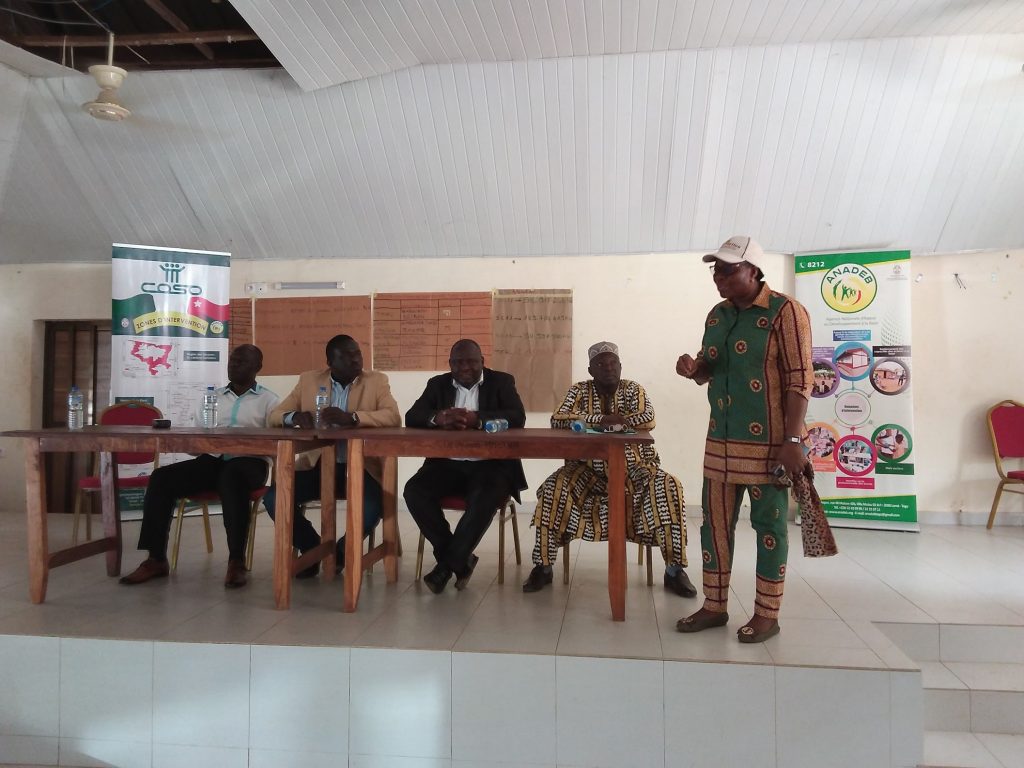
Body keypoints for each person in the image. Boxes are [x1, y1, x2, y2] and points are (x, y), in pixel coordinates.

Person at [675, 235, 813, 643]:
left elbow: (800, 380)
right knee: (714, 526)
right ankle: (714, 606)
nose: (718, 277)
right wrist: (694, 369)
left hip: (771, 445)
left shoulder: (786, 312)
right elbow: (711, 367)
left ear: (753, 270)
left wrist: (793, 440)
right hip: (720, 443)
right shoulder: (717, 315)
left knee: (769, 528)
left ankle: (767, 614)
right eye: (715, 269)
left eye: (728, 269)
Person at [522, 341, 697, 598]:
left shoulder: (633, 388)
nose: (608, 368)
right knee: (552, 488)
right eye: (601, 364)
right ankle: (543, 567)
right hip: (585, 471)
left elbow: (648, 418)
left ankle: (674, 571)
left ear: (621, 366)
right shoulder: (579, 390)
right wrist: (601, 420)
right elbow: (558, 419)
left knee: (669, 485)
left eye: (613, 363)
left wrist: (601, 422)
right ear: (590, 370)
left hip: (634, 469)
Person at [119, 344, 280, 589]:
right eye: (232, 360)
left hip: (250, 463)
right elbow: (197, 443)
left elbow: (275, 444)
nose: (233, 364)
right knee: (161, 478)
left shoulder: (270, 401)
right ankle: (156, 559)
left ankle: (236, 561)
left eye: (241, 361)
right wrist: (194, 444)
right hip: (213, 460)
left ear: (257, 367)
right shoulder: (211, 397)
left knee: (231, 477)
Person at [264, 334, 400, 578]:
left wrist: (354, 418)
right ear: (330, 362)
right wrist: (293, 417)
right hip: (317, 464)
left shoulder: (377, 381)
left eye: (357, 353)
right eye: (346, 356)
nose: (355, 359)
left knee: (373, 505)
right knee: (275, 497)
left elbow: (392, 416)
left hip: (362, 467)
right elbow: (274, 415)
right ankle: (311, 547)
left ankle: (339, 552)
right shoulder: (309, 380)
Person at [404, 339, 527, 593]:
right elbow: (412, 416)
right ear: (450, 364)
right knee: (414, 491)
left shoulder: (502, 382)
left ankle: (446, 566)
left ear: (482, 361)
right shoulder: (437, 384)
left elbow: (517, 417)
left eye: (471, 361)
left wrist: (477, 419)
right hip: (446, 464)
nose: (465, 367)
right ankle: (460, 559)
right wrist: (437, 418)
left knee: (485, 495)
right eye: (458, 362)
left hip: (491, 465)